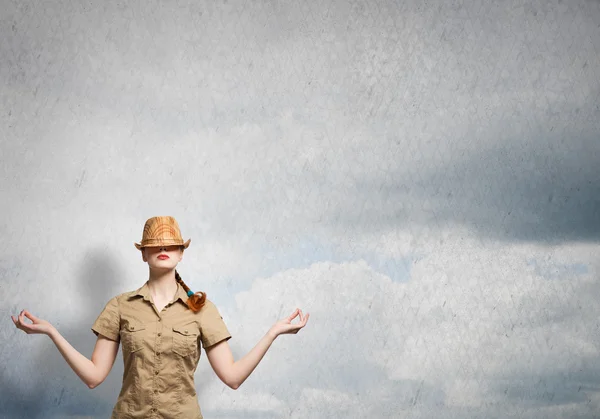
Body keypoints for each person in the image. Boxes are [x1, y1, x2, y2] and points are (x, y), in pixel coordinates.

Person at [11, 216, 310, 418]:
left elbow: (232, 378)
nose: (164, 248)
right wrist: (51, 332)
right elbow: (93, 377)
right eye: (156, 244)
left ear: (181, 253)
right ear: (143, 254)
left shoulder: (202, 309)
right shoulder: (119, 307)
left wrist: (273, 332)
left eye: (171, 244)